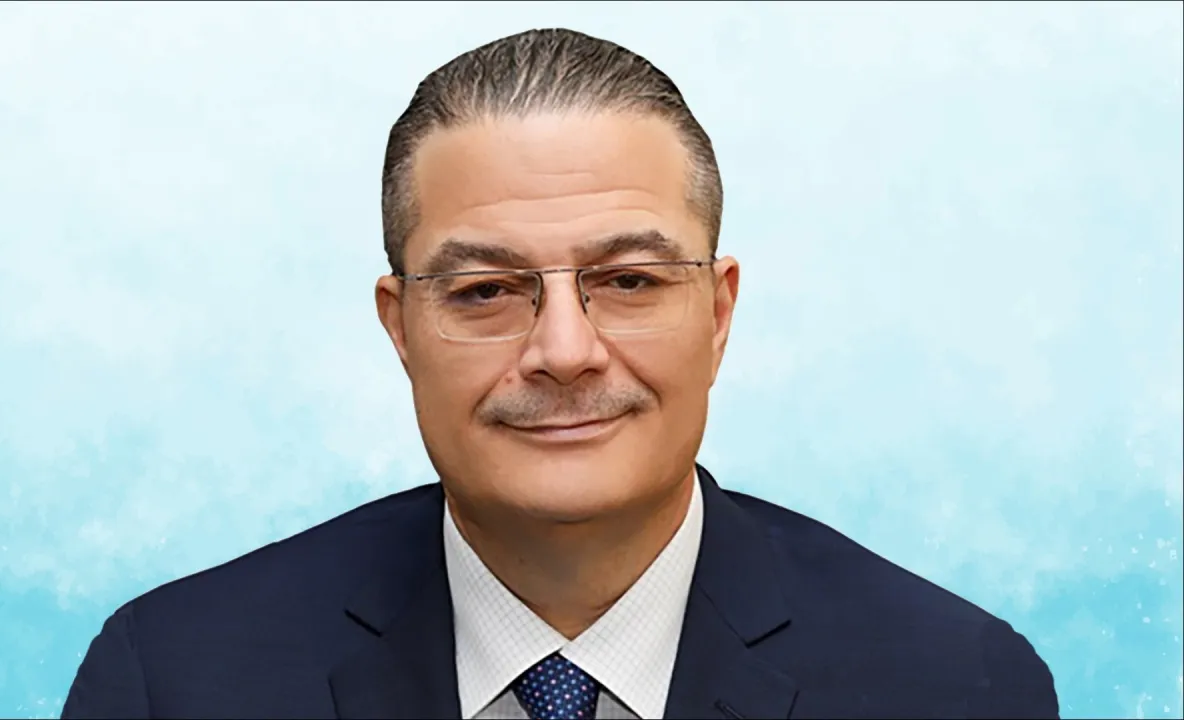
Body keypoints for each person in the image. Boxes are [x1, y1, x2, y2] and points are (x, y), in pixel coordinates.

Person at [62, 28, 1059, 720]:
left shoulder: (955, 686)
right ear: (400, 327)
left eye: (627, 281)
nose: (565, 350)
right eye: (485, 292)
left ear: (717, 313)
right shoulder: (174, 680)